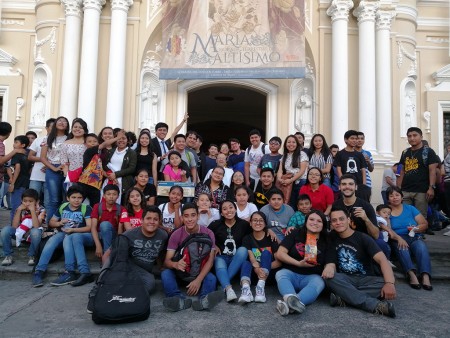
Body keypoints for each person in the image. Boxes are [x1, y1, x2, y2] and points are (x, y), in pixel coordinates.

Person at [87, 205, 170, 313]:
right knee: (113, 255)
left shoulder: (163, 235)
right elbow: (107, 255)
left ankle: (123, 295)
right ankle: (98, 291)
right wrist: (107, 272)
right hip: (127, 265)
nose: (152, 222)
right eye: (148, 218)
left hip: (143, 270)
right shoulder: (130, 234)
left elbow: (160, 252)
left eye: (155, 219)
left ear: (159, 222)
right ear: (142, 220)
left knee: (150, 285)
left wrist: (161, 266)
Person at [324, 207, 397, 318]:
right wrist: (329, 267)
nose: (338, 222)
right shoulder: (331, 238)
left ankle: (344, 298)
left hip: (367, 280)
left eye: (341, 219)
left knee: (385, 282)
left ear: (348, 220)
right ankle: (376, 305)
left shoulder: (363, 238)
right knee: (329, 278)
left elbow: (383, 260)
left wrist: (389, 284)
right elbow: (330, 260)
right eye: (334, 220)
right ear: (332, 223)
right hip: (345, 279)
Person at [161, 203, 223, 312]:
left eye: (193, 215)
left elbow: (210, 260)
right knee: (165, 274)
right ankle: (178, 300)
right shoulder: (176, 234)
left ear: (198, 216)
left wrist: (198, 280)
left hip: (199, 272)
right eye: (186, 216)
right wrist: (175, 264)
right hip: (181, 273)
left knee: (211, 278)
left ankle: (203, 300)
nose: (190, 219)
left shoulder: (208, 233)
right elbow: (167, 261)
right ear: (182, 218)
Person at [32, 184, 92, 287]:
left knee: (68, 238)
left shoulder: (85, 208)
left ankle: (69, 271)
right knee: (53, 240)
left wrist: (73, 229)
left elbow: (89, 227)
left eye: (79, 198)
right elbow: (51, 222)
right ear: (68, 198)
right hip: (64, 232)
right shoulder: (63, 207)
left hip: (80, 235)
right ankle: (39, 271)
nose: (76, 200)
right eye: (73, 197)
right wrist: (60, 223)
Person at [275, 210, 329, 316]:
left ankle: (288, 304)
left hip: (312, 276)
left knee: (319, 282)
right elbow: (280, 254)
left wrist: (329, 268)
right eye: (311, 219)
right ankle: (292, 303)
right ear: (306, 221)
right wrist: (298, 263)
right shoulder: (295, 233)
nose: (315, 223)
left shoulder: (327, 239)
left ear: (323, 225)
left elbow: (330, 261)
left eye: (319, 221)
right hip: (292, 273)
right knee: (281, 274)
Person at [386, 186, 433, 290]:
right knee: (402, 248)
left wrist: (415, 228)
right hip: (397, 238)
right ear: (388, 199)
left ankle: (425, 276)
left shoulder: (410, 208)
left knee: (421, 247)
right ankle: (412, 275)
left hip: (414, 236)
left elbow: (424, 224)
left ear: (402, 197)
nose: (395, 197)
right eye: (391, 196)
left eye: (397, 195)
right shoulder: (386, 211)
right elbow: (385, 229)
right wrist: (398, 238)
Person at [209, 200, 251, 302]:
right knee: (218, 261)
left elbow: (256, 233)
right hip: (222, 256)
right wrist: (213, 245)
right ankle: (228, 289)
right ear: (221, 213)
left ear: (235, 209)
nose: (228, 211)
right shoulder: (215, 224)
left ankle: (222, 281)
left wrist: (270, 230)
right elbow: (205, 235)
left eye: (231, 207)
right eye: (224, 209)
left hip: (237, 259)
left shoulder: (244, 224)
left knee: (243, 250)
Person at [397, 127, 440, 219]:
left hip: (421, 190)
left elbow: (432, 171)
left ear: (421, 136)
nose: (412, 138)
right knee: (405, 215)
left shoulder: (428, 152)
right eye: (409, 136)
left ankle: (419, 232)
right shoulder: (405, 152)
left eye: (415, 135)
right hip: (405, 190)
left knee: (420, 217)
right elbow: (401, 170)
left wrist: (431, 188)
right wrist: (398, 188)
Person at [239, 211, 281, 304]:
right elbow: (252, 259)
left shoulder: (271, 237)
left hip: (268, 274)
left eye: (261, 220)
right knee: (246, 263)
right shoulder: (247, 238)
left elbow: (279, 262)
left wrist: (263, 269)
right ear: (250, 223)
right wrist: (257, 269)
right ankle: (246, 290)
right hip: (254, 273)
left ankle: (260, 288)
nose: (258, 223)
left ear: (265, 224)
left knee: (266, 253)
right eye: (255, 220)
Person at [78, 131, 125, 207]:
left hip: (96, 185)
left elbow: (100, 170)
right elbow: (104, 144)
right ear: (85, 144)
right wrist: (118, 137)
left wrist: (111, 178)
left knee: (95, 206)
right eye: (89, 141)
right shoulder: (89, 151)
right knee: (77, 202)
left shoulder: (98, 155)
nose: (92, 143)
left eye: (95, 141)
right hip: (84, 183)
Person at [1, 189, 45, 266]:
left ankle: (32, 256)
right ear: (22, 201)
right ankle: (8, 256)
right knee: (5, 230)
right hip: (20, 234)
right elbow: (14, 226)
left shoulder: (41, 210)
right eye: (25, 201)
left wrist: (32, 212)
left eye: (30, 201)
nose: (27, 203)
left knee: (35, 232)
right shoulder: (21, 209)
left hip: (34, 236)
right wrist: (18, 211)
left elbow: (36, 226)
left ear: (37, 201)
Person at [40, 116, 70, 223]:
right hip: (52, 170)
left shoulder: (70, 138)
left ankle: (67, 223)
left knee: (67, 198)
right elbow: (42, 157)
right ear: (55, 124)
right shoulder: (47, 138)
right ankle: (51, 226)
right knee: (54, 200)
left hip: (68, 171)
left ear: (67, 125)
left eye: (65, 121)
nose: (62, 122)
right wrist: (54, 168)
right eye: (60, 121)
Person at [332, 174, 379, 239]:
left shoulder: (366, 206)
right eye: (344, 184)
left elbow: (376, 235)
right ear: (339, 187)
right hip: (341, 241)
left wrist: (366, 219)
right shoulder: (335, 205)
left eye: (351, 184)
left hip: (361, 242)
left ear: (356, 187)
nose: (347, 187)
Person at [333, 130, 370, 202]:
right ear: (346, 140)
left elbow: (363, 170)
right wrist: (342, 182)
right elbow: (338, 170)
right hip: (346, 185)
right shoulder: (340, 154)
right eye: (352, 138)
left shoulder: (359, 154)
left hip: (358, 184)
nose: (355, 140)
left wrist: (364, 184)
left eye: (356, 139)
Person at [91, 184, 126, 258]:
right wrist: (98, 245)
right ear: (104, 196)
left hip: (113, 235)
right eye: (108, 194)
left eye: (114, 194)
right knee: (76, 237)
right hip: (99, 234)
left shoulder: (121, 209)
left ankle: (106, 258)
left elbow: (120, 230)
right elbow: (93, 227)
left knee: (105, 225)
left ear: (118, 196)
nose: (111, 196)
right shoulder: (97, 206)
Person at [103, 130, 137, 203]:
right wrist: (110, 175)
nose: (121, 140)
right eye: (119, 138)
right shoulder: (110, 151)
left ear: (127, 140)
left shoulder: (132, 153)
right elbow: (105, 165)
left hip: (124, 183)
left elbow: (132, 168)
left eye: (123, 138)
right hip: (110, 180)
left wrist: (116, 174)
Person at [28, 118, 55, 208]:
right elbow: (30, 156)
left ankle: (47, 221)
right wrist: (43, 159)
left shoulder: (60, 141)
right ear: (46, 128)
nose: (55, 128)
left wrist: (49, 164)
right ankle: (29, 220)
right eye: (52, 126)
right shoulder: (38, 140)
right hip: (36, 175)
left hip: (51, 174)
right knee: (31, 199)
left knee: (48, 202)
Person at [152, 114, 188, 180]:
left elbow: (175, 132)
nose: (162, 132)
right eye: (160, 130)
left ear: (167, 132)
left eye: (164, 130)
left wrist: (183, 121)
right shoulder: (151, 142)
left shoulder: (167, 143)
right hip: (157, 172)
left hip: (170, 172)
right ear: (156, 132)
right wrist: (160, 158)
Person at [277, 134, 308, 208]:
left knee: (299, 204)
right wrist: (279, 179)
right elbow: (280, 170)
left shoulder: (302, 154)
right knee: (289, 203)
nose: (291, 144)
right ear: (285, 144)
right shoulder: (284, 156)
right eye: (289, 142)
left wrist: (291, 180)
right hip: (287, 183)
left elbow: (302, 171)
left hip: (300, 182)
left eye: (293, 142)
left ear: (297, 144)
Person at [60, 118, 88, 188]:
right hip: (71, 176)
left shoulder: (88, 143)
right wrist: (67, 175)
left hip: (87, 176)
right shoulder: (65, 144)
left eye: (80, 127)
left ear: (84, 130)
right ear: (72, 129)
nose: (77, 129)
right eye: (75, 127)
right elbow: (64, 161)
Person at [8, 135, 31, 222]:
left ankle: (13, 227)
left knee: (15, 207)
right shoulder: (27, 155)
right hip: (26, 182)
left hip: (18, 183)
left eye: (16, 142)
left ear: (23, 145)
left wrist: (13, 183)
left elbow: (17, 168)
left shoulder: (16, 155)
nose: (14, 144)